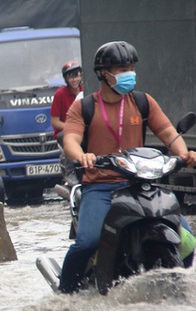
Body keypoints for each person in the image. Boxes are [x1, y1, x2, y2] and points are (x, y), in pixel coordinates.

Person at [59, 41, 196, 294]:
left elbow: (168, 132)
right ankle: (64, 293)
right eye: (121, 69)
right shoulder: (84, 107)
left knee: (187, 241)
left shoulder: (143, 102)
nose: (128, 74)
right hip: (101, 187)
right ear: (103, 73)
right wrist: (83, 156)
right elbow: (71, 140)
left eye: (131, 68)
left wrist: (184, 154)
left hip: (140, 184)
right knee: (87, 242)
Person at [50, 61, 83, 139]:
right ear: (66, 79)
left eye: (76, 76)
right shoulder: (59, 94)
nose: (74, 80)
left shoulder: (86, 90)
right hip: (66, 133)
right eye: (71, 77)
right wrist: (72, 128)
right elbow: (55, 122)